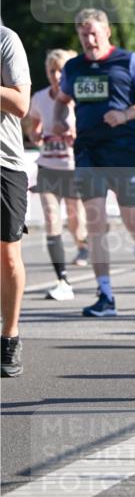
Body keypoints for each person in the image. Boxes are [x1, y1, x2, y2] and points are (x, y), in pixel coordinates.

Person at [53, 9, 135, 316]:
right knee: (95, 221)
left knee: (132, 220)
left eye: (94, 33)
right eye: (83, 35)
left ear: (107, 32)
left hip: (125, 152)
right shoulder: (73, 67)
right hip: (88, 152)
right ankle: (105, 294)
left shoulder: (128, 61)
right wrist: (61, 123)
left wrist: (125, 115)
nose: (89, 40)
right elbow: (61, 103)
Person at [29, 49, 88, 300]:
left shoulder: (78, 97)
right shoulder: (39, 97)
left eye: (61, 70)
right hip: (48, 166)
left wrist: (76, 136)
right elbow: (33, 126)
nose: (56, 75)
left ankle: (83, 245)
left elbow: (91, 128)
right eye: (52, 70)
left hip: (72, 168)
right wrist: (36, 135)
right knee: (52, 218)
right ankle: (62, 279)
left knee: (75, 222)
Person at [1, 26, 31, 377]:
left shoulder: (6, 40)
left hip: (4, 164)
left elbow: (21, 104)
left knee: (8, 256)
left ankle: (9, 336)